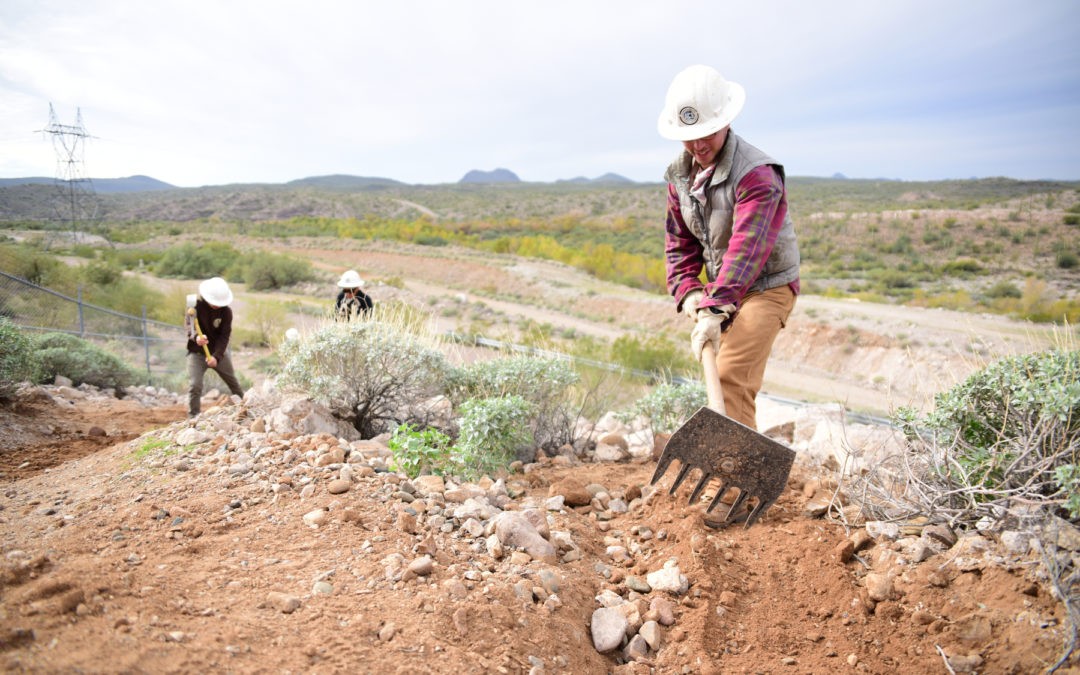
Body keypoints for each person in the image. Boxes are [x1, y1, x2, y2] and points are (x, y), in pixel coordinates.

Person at [657, 65, 800, 430]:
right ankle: (740, 470)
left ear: (726, 122)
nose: (698, 145)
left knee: (730, 376)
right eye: (689, 137)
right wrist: (689, 291)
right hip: (724, 289)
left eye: (707, 133)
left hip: (766, 286)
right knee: (723, 379)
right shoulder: (680, 176)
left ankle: (736, 479)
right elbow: (679, 244)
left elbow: (747, 249)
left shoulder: (757, 174)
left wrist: (714, 308)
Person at [185, 276, 245, 418]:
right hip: (196, 353)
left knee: (233, 383)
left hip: (217, 353)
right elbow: (189, 328)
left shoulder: (226, 312)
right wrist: (196, 338)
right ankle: (194, 416)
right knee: (195, 385)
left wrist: (216, 357)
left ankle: (245, 408)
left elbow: (224, 337)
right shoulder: (194, 308)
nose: (217, 305)